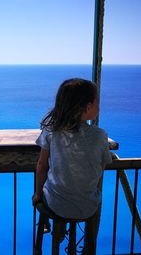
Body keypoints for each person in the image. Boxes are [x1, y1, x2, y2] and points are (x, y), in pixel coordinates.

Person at [32, 78, 112, 254]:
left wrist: (37, 195)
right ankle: (89, 247)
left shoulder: (52, 131)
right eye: (97, 101)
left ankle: (58, 233)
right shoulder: (100, 136)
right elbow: (101, 168)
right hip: (87, 206)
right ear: (88, 106)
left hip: (56, 205)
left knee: (52, 193)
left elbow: (42, 166)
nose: (99, 106)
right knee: (93, 199)